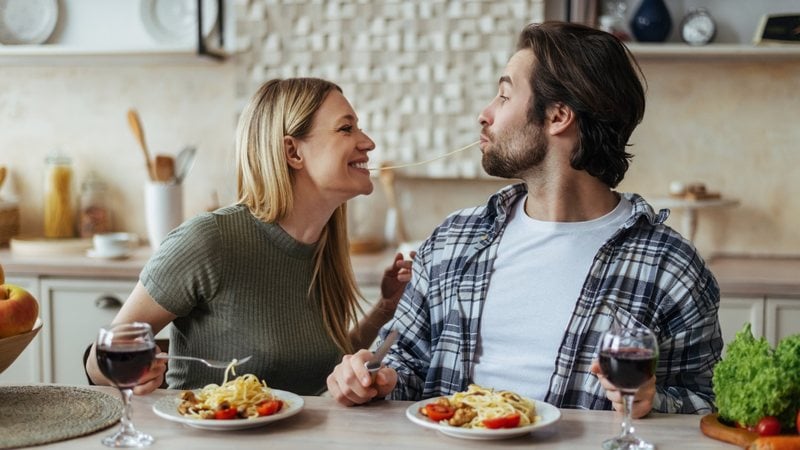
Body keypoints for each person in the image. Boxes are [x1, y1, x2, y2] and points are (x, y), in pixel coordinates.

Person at [327, 22, 722, 418]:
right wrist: (372, 379)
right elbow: (402, 365)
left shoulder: (669, 267)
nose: (485, 114)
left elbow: (709, 404)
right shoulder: (451, 242)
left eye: (503, 96)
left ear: (558, 117)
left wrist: (654, 401)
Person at [86, 78, 413, 395]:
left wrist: (384, 308)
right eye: (346, 128)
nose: (368, 142)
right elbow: (97, 363)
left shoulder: (323, 247)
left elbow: (324, 366)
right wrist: (136, 371)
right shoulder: (209, 241)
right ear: (292, 152)